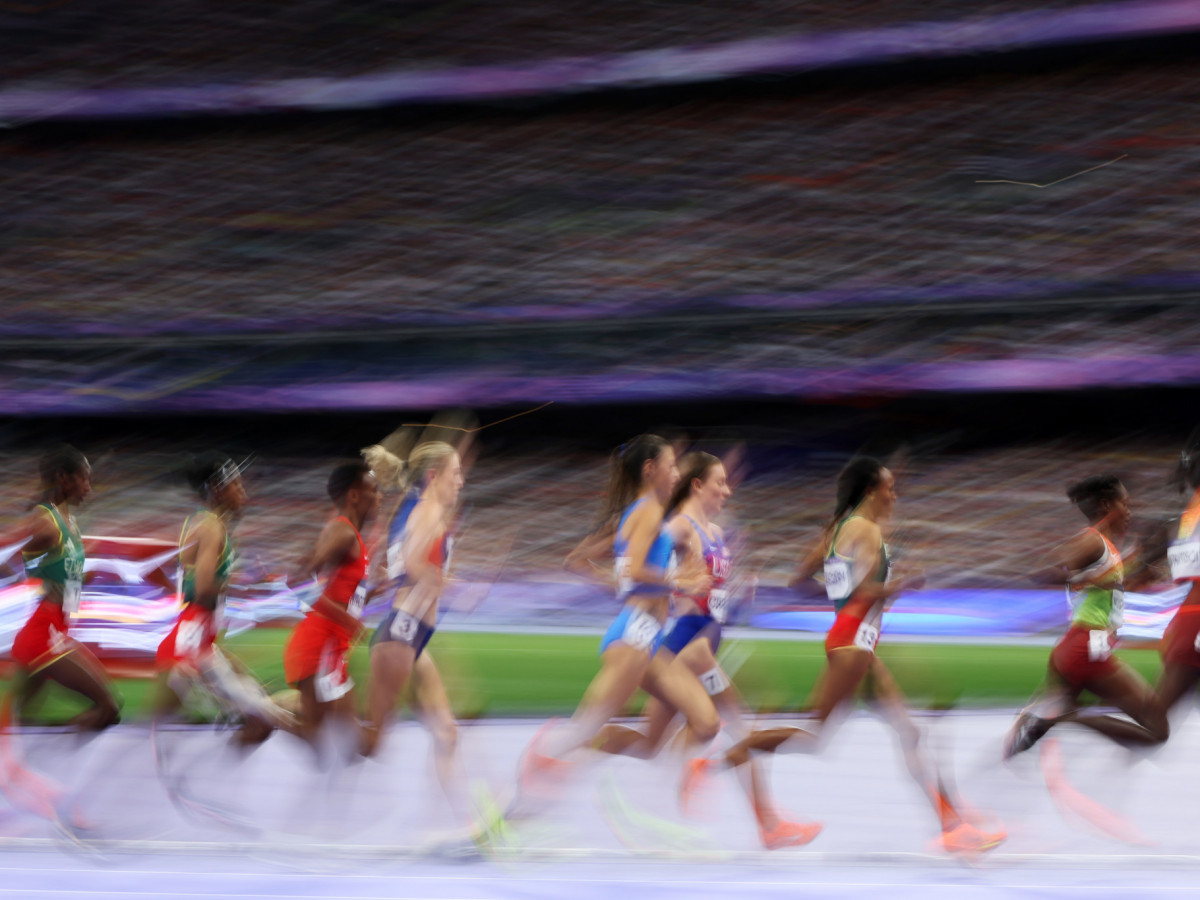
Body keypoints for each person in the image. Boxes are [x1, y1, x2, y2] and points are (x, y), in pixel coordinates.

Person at [685, 456, 1004, 854]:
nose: (894, 494)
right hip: (854, 644)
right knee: (815, 734)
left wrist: (842, 600)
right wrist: (903, 584)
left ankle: (952, 823)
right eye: (889, 487)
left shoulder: (838, 529)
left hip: (853, 639)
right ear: (871, 490)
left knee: (909, 731)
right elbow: (867, 592)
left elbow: (799, 580)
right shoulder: (867, 530)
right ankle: (712, 765)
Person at [591, 451, 820, 849]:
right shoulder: (678, 524)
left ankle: (577, 741)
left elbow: (709, 587)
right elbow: (640, 560)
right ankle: (766, 823)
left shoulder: (712, 529)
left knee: (649, 744)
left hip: (704, 640)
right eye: (720, 482)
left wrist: (734, 590)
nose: (727, 490)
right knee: (737, 725)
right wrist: (662, 577)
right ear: (697, 485)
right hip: (688, 646)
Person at [521, 436, 715, 790]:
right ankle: (519, 799)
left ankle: (558, 766)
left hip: (646, 637)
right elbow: (639, 569)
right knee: (580, 733)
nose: (676, 473)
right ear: (650, 469)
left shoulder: (639, 513)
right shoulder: (648, 512)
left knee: (706, 723)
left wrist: (621, 583)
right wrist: (681, 581)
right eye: (671, 466)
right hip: (634, 635)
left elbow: (577, 562)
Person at [1005, 475, 1169, 754]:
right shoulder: (1092, 540)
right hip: (1087, 648)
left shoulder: (1107, 548)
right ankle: (1066, 716)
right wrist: (1086, 580)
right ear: (1107, 506)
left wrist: (1141, 578)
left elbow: (1107, 590)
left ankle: (1008, 756)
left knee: (1036, 728)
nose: (1129, 512)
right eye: (1125, 504)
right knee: (1157, 730)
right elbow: (1042, 569)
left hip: (1080, 647)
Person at [154, 452, 296, 745]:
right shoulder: (211, 527)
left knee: (258, 709)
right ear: (218, 488)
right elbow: (205, 587)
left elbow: (195, 583)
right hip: (194, 640)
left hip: (198, 637)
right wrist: (248, 582)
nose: (243, 493)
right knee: (265, 712)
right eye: (237, 486)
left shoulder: (206, 524)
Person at [361, 442, 471, 816]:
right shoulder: (427, 512)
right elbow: (412, 563)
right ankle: (291, 718)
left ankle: (457, 824)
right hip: (401, 635)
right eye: (455, 473)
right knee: (370, 742)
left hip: (412, 638)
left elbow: (399, 565)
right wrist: (445, 583)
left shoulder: (425, 513)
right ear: (433, 476)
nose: (461, 481)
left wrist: (439, 578)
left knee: (447, 732)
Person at [5, 445, 118, 730]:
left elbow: (62, 575)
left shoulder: (70, 522)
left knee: (10, 720)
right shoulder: (46, 523)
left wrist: (85, 578)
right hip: (44, 634)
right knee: (108, 709)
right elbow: (8, 557)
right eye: (85, 479)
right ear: (64, 479)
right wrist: (30, 584)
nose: (89, 488)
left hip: (58, 628)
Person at [283, 460, 380, 751]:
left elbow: (342, 596)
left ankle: (271, 709)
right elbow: (297, 582)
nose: (379, 497)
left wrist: (374, 592)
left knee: (342, 742)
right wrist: (348, 621)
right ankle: (266, 712)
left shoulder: (349, 534)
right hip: (319, 648)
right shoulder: (343, 531)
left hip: (332, 648)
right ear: (354, 495)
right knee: (341, 741)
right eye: (373, 490)